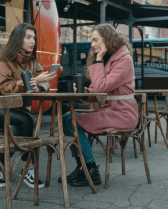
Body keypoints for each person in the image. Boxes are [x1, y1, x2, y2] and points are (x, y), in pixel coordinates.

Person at [59, 24, 138, 187]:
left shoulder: (124, 59)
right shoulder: (111, 59)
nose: (92, 44)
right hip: (112, 111)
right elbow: (98, 90)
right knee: (66, 117)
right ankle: (83, 167)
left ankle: (91, 170)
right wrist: (85, 91)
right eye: (91, 40)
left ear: (107, 39)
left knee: (72, 121)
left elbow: (102, 87)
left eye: (95, 40)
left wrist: (98, 59)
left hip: (123, 113)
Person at [0, 23, 56, 188]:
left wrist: (39, 85)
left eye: (34, 38)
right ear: (18, 39)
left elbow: (45, 84)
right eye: (28, 37)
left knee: (15, 132)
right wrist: (32, 82)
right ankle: (28, 169)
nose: (32, 41)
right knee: (26, 121)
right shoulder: (2, 59)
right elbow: (5, 87)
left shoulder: (33, 60)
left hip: (15, 110)